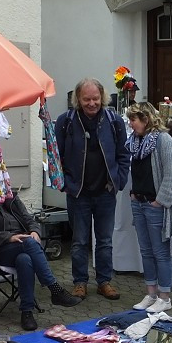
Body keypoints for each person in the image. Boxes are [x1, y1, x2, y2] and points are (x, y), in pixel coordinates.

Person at [55, 78, 131, 301]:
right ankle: (80, 283)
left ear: (103, 98)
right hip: (77, 193)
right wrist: (65, 183)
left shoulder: (114, 121)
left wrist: (118, 180)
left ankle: (104, 281)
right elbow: (55, 155)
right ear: (78, 99)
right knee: (79, 241)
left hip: (105, 191)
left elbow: (123, 155)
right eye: (86, 99)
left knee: (105, 240)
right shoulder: (65, 121)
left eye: (95, 99)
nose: (91, 103)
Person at [0, 192, 81, 331]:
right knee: (29, 244)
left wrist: (35, 231)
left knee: (24, 258)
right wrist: (8, 237)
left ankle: (27, 312)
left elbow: (29, 218)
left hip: (19, 247)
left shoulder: (10, 196)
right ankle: (55, 289)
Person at [125, 102, 172, 313]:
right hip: (138, 201)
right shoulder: (135, 141)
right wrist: (132, 194)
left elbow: (170, 173)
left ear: (145, 119)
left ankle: (165, 297)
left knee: (160, 252)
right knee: (146, 251)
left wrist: (160, 200)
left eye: (133, 120)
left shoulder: (162, 140)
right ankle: (151, 293)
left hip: (154, 203)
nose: (130, 124)